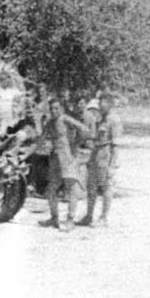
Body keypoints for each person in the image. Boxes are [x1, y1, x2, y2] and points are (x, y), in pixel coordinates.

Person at [36, 98, 88, 231]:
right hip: (55, 158)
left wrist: (74, 145)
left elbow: (83, 129)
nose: (54, 111)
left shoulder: (65, 119)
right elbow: (41, 139)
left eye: (56, 108)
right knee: (51, 189)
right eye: (51, 109)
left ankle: (70, 219)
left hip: (67, 157)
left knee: (71, 188)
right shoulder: (49, 123)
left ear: (61, 109)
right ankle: (54, 218)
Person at [78, 93, 122, 227]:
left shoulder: (114, 120)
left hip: (105, 155)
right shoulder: (100, 118)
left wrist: (112, 166)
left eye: (102, 102)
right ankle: (89, 215)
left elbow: (115, 145)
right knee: (91, 186)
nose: (100, 105)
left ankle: (104, 217)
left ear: (109, 103)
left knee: (106, 186)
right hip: (95, 154)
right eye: (99, 102)